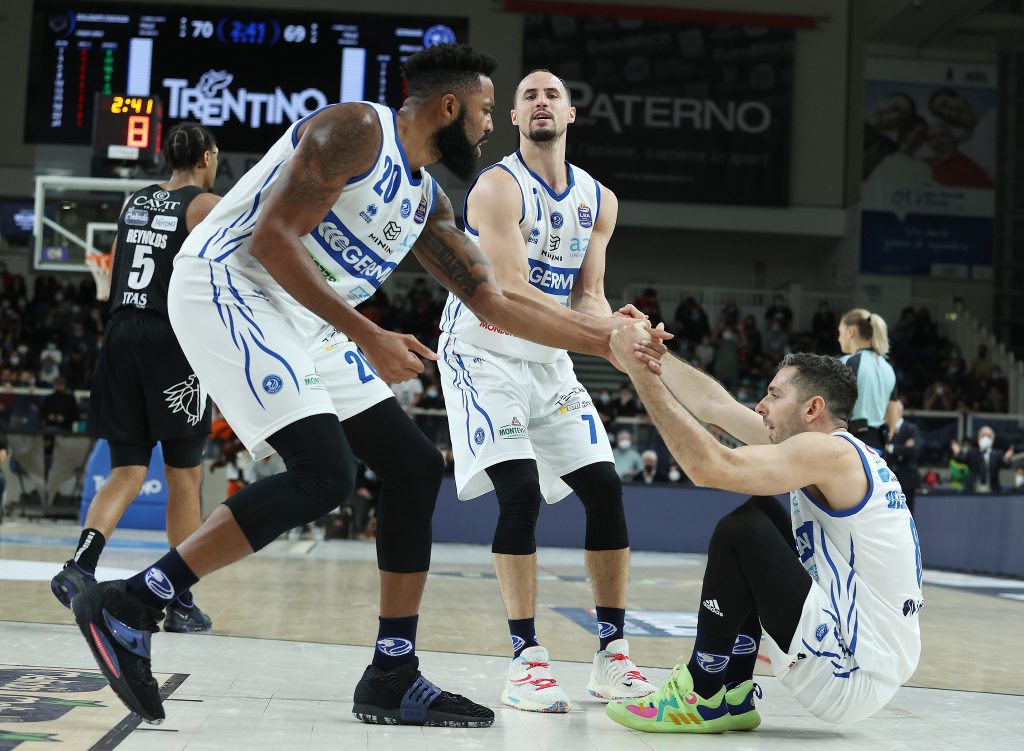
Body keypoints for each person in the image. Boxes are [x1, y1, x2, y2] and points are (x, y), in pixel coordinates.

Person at [69, 44, 652, 728]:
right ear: (449, 106)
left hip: (304, 316)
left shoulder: (426, 201)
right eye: (489, 110)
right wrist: (368, 335)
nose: (491, 127)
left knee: (411, 466)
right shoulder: (353, 130)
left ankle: (391, 671)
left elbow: (494, 301)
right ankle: (133, 602)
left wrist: (607, 338)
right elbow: (272, 241)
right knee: (327, 472)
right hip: (226, 284)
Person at [437, 69, 658, 713]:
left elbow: (588, 293)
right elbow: (508, 292)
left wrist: (623, 330)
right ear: (513, 117)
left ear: (571, 112)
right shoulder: (497, 186)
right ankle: (525, 658)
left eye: (551, 94)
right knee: (520, 492)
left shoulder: (600, 200)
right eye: (528, 95)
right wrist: (604, 336)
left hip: (549, 359)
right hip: (484, 353)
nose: (540, 102)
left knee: (605, 489)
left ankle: (611, 654)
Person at [605, 327, 922, 732]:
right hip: (870, 661)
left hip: (849, 672)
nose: (760, 405)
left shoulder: (828, 453)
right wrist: (652, 355)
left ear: (812, 409)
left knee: (744, 531)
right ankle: (735, 691)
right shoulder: (835, 449)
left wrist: (641, 377)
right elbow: (713, 404)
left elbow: (709, 468)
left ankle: (700, 693)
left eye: (774, 394)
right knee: (763, 513)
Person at [51, 123, 220, 634]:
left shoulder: (135, 201)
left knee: (126, 468)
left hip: (120, 331)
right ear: (208, 158)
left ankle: (79, 567)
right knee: (183, 476)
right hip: (170, 340)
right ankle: (181, 601)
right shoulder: (204, 205)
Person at [837, 308, 898, 452]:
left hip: (852, 441)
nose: (839, 338)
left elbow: (835, 404)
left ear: (850, 332)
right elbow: (893, 411)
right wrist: (887, 438)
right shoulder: (887, 367)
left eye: (840, 332)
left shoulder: (847, 362)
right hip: (878, 443)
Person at [952, 425, 1015, 494]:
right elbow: (961, 460)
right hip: (973, 490)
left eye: (988, 436)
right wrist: (957, 453)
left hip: (993, 491)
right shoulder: (972, 452)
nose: (985, 438)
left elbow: (1006, 465)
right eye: (983, 436)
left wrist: (1006, 458)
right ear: (978, 438)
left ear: (993, 439)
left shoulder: (997, 454)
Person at [887, 401, 921, 513]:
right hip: (889, 478)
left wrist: (892, 448)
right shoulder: (884, 428)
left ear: (901, 411)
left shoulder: (911, 429)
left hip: (907, 478)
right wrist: (903, 449)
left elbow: (913, 451)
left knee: (907, 512)